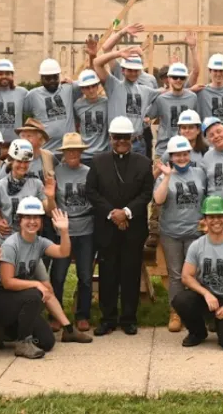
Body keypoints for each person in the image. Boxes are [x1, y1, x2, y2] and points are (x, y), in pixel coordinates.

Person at [0, 198, 92, 358]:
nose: (32, 221)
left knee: (47, 342)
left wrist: (64, 231)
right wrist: (36, 284)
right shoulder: (10, 245)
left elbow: (63, 252)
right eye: (27, 217)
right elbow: (7, 282)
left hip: (19, 295)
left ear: (41, 221)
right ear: (20, 220)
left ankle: (68, 331)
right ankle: (20, 341)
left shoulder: (39, 242)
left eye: (36, 218)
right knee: (35, 294)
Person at [86, 116, 154, 336]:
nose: (121, 141)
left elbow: (146, 194)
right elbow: (92, 192)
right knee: (107, 273)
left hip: (133, 229)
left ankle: (128, 318)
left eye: (125, 137)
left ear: (133, 138)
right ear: (110, 138)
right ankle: (107, 318)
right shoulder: (98, 162)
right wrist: (112, 214)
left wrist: (125, 213)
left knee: (130, 273)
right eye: (117, 137)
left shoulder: (144, 163)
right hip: (106, 228)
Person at [173, 195, 223, 350]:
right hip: (206, 298)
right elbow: (186, 276)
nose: (216, 221)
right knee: (181, 300)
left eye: (220, 216)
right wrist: (206, 294)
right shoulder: (197, 246)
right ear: (205, 220)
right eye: (211, 217)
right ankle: (198, 332)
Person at [154, 135, 207, 333]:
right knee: (176, 275)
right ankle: (176, 312)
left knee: (197, 274)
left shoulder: (200, 173)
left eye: (185, 154)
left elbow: (207, 197)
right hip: (172, 233)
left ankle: (198, 311)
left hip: (196, 233)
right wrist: (167, 176)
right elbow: (158, 200)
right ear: (171, 156)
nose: (182, 158)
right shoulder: (163, 176)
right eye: (178, 155)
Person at [48, 133, 95, 332]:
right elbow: (51, 203)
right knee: (58, 275)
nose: (73, 153)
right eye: (69, 150)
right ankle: (56, 315)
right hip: (63, 229)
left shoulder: (90, 172)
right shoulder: (56, 172)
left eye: (76, 150)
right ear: (64, 153)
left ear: (82, 152)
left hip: (86, 228)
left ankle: (83, 314)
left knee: (85, 274)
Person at [93, 39, 157, 156]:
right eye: (130, 70)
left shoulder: (145, 91)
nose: (133, 73)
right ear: (122, 70)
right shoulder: (113, 85)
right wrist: (118, 54)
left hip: (137, 143)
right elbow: (97, 63)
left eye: (136, 70)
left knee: (138, 174)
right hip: (117, 142)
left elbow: (164, 93)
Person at [0, 139, 47, 247]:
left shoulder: (37, 183)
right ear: (11, 161)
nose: (23, 165)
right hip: (5, 242)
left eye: (26, 162)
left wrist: (50, 197)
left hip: (29, 241)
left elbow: (48, 210)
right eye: (19, 161)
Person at [28, 59, 80, 154]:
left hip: (68, 150)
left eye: (55, 77)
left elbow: (89, 83)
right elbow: (19, 112)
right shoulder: (32, 95)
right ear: (41, 78)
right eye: (48, 78)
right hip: (45, 152)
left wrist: (72, 82)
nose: (52, 81)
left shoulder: (69, 88)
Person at [148, 62, 198, 158]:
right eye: (175, 77)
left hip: (186, 150)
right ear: (169, 78)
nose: (178, 80)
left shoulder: (193, 98)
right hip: (164, 149)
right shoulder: (161, 99)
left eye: (182, 77)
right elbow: (147, 115)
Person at [193, 53, 223, 144]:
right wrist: (190, 90)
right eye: (215, 71)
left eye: (221, 71)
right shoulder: (201, 92)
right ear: (210, 71)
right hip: (209, 147)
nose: (218, 74)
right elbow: (181, 97)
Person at [72, 69, 109, 162]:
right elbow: (76, 126)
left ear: (97, 86)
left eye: (93, 86)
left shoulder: (107, 103)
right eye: (87, 87)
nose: (91, 90)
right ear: (82, 89)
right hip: (84, 155)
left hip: (103, 154)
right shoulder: (77, 105)